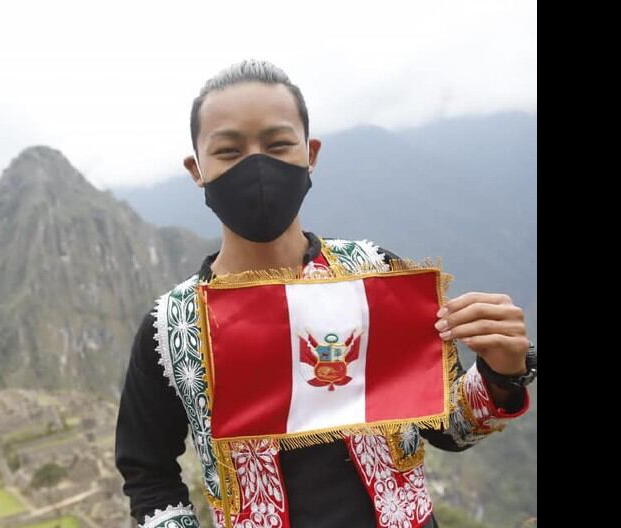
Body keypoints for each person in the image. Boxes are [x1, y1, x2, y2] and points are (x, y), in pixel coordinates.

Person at [114, 59, 535, 528]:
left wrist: (502, 372)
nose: (257, 166)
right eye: (230, 151)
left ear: (310, 154)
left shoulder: (376, 277)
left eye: (278, 145)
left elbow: (449, 426)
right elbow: (148, 472)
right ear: (197, 168)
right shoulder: (175, 326)